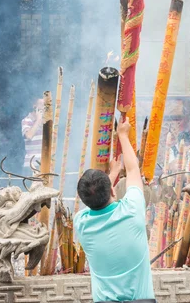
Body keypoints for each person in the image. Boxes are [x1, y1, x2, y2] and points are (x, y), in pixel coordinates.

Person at [74, 118, 155, 303]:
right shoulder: (132, 210)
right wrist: (123, 135)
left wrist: (110, 176)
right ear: (112, 189)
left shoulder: (82, 224)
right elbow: (134, 170)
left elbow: (95, 197)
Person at [21, 98, 44, 171]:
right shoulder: (26, 120)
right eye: (41, 104)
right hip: (31, 164)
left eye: (45, 105)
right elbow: (29, 136)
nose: (44, 107)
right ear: (34, 106)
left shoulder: (46, 121)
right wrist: (38, 120)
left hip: (45, 163)